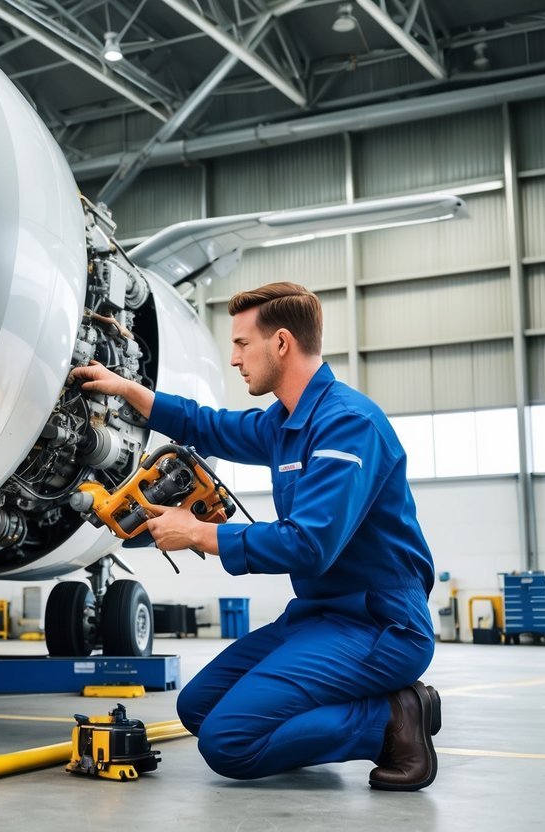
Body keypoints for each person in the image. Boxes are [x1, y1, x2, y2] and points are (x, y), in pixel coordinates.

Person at [70, 281, 440, 791]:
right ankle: (318, 723)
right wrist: (130, 391)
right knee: (197, 707)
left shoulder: (347, 425)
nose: (235, 358)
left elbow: (308, 546)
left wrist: (200, 534)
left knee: (229, 743)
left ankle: (393, 718)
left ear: (281, 343)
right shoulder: (285, 422)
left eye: (243, 344)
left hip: (380, 625)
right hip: (319, 618)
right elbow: (213, 427)